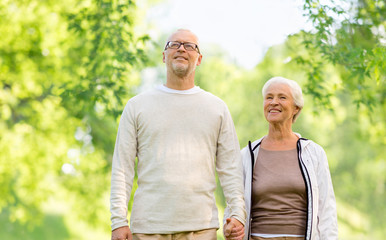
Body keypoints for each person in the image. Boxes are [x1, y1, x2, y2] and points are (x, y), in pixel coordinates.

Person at [110, 29, 246, 240]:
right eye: (174, 44)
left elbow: (231, 167)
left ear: (199, 59)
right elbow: (122, 168)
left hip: (200, 228)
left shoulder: (216, 108)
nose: (181, 48)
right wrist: (118, 221)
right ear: (164, 56)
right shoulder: (137, 106)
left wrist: (238, 214)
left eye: (189, 46)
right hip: (148, 227)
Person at [224, 77, 338, 240]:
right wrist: (230, 227)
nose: (273, 102)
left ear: (296, 108)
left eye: (282, 97)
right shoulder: (247, 155)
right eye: (269, 97)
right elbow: (234, 203)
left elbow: (327, 209)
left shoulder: (313, 153)